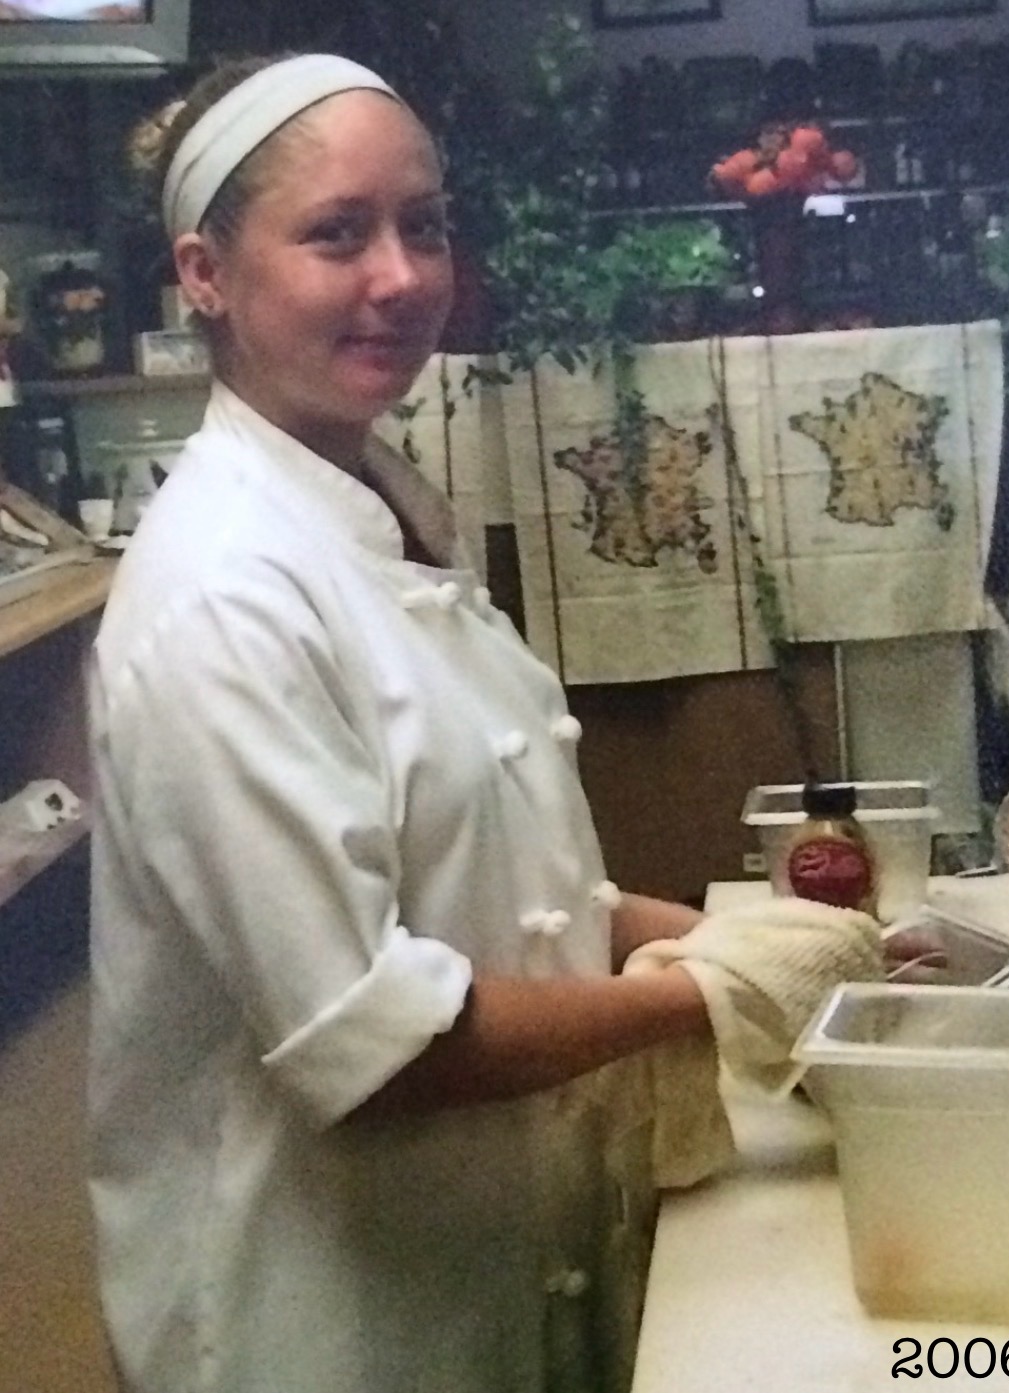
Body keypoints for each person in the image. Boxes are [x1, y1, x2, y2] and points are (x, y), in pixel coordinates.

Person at [87, 53, 889, 1393]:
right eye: (337, 232)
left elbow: (506, 889)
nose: (400, 275)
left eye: (426, 223)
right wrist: (707, 995)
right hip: (324, 1312)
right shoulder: (220, 596)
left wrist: (773, 944)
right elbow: (383, 1038)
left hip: (496, 1246)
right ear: (207, 273)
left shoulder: (382, 505)